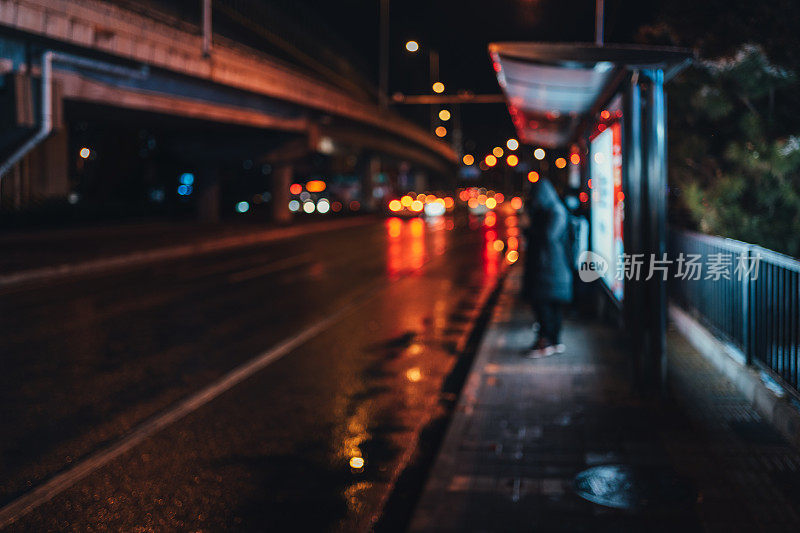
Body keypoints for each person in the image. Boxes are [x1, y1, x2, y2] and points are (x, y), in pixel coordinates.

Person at [523, 177, 573, 358]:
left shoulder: (555, 212)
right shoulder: (554, 209)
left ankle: (547, 341)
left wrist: (530, 229)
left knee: (545, 304)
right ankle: (553, 341)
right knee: (551, 306)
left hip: (551, 268)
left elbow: (549, 237)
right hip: (553, 268)